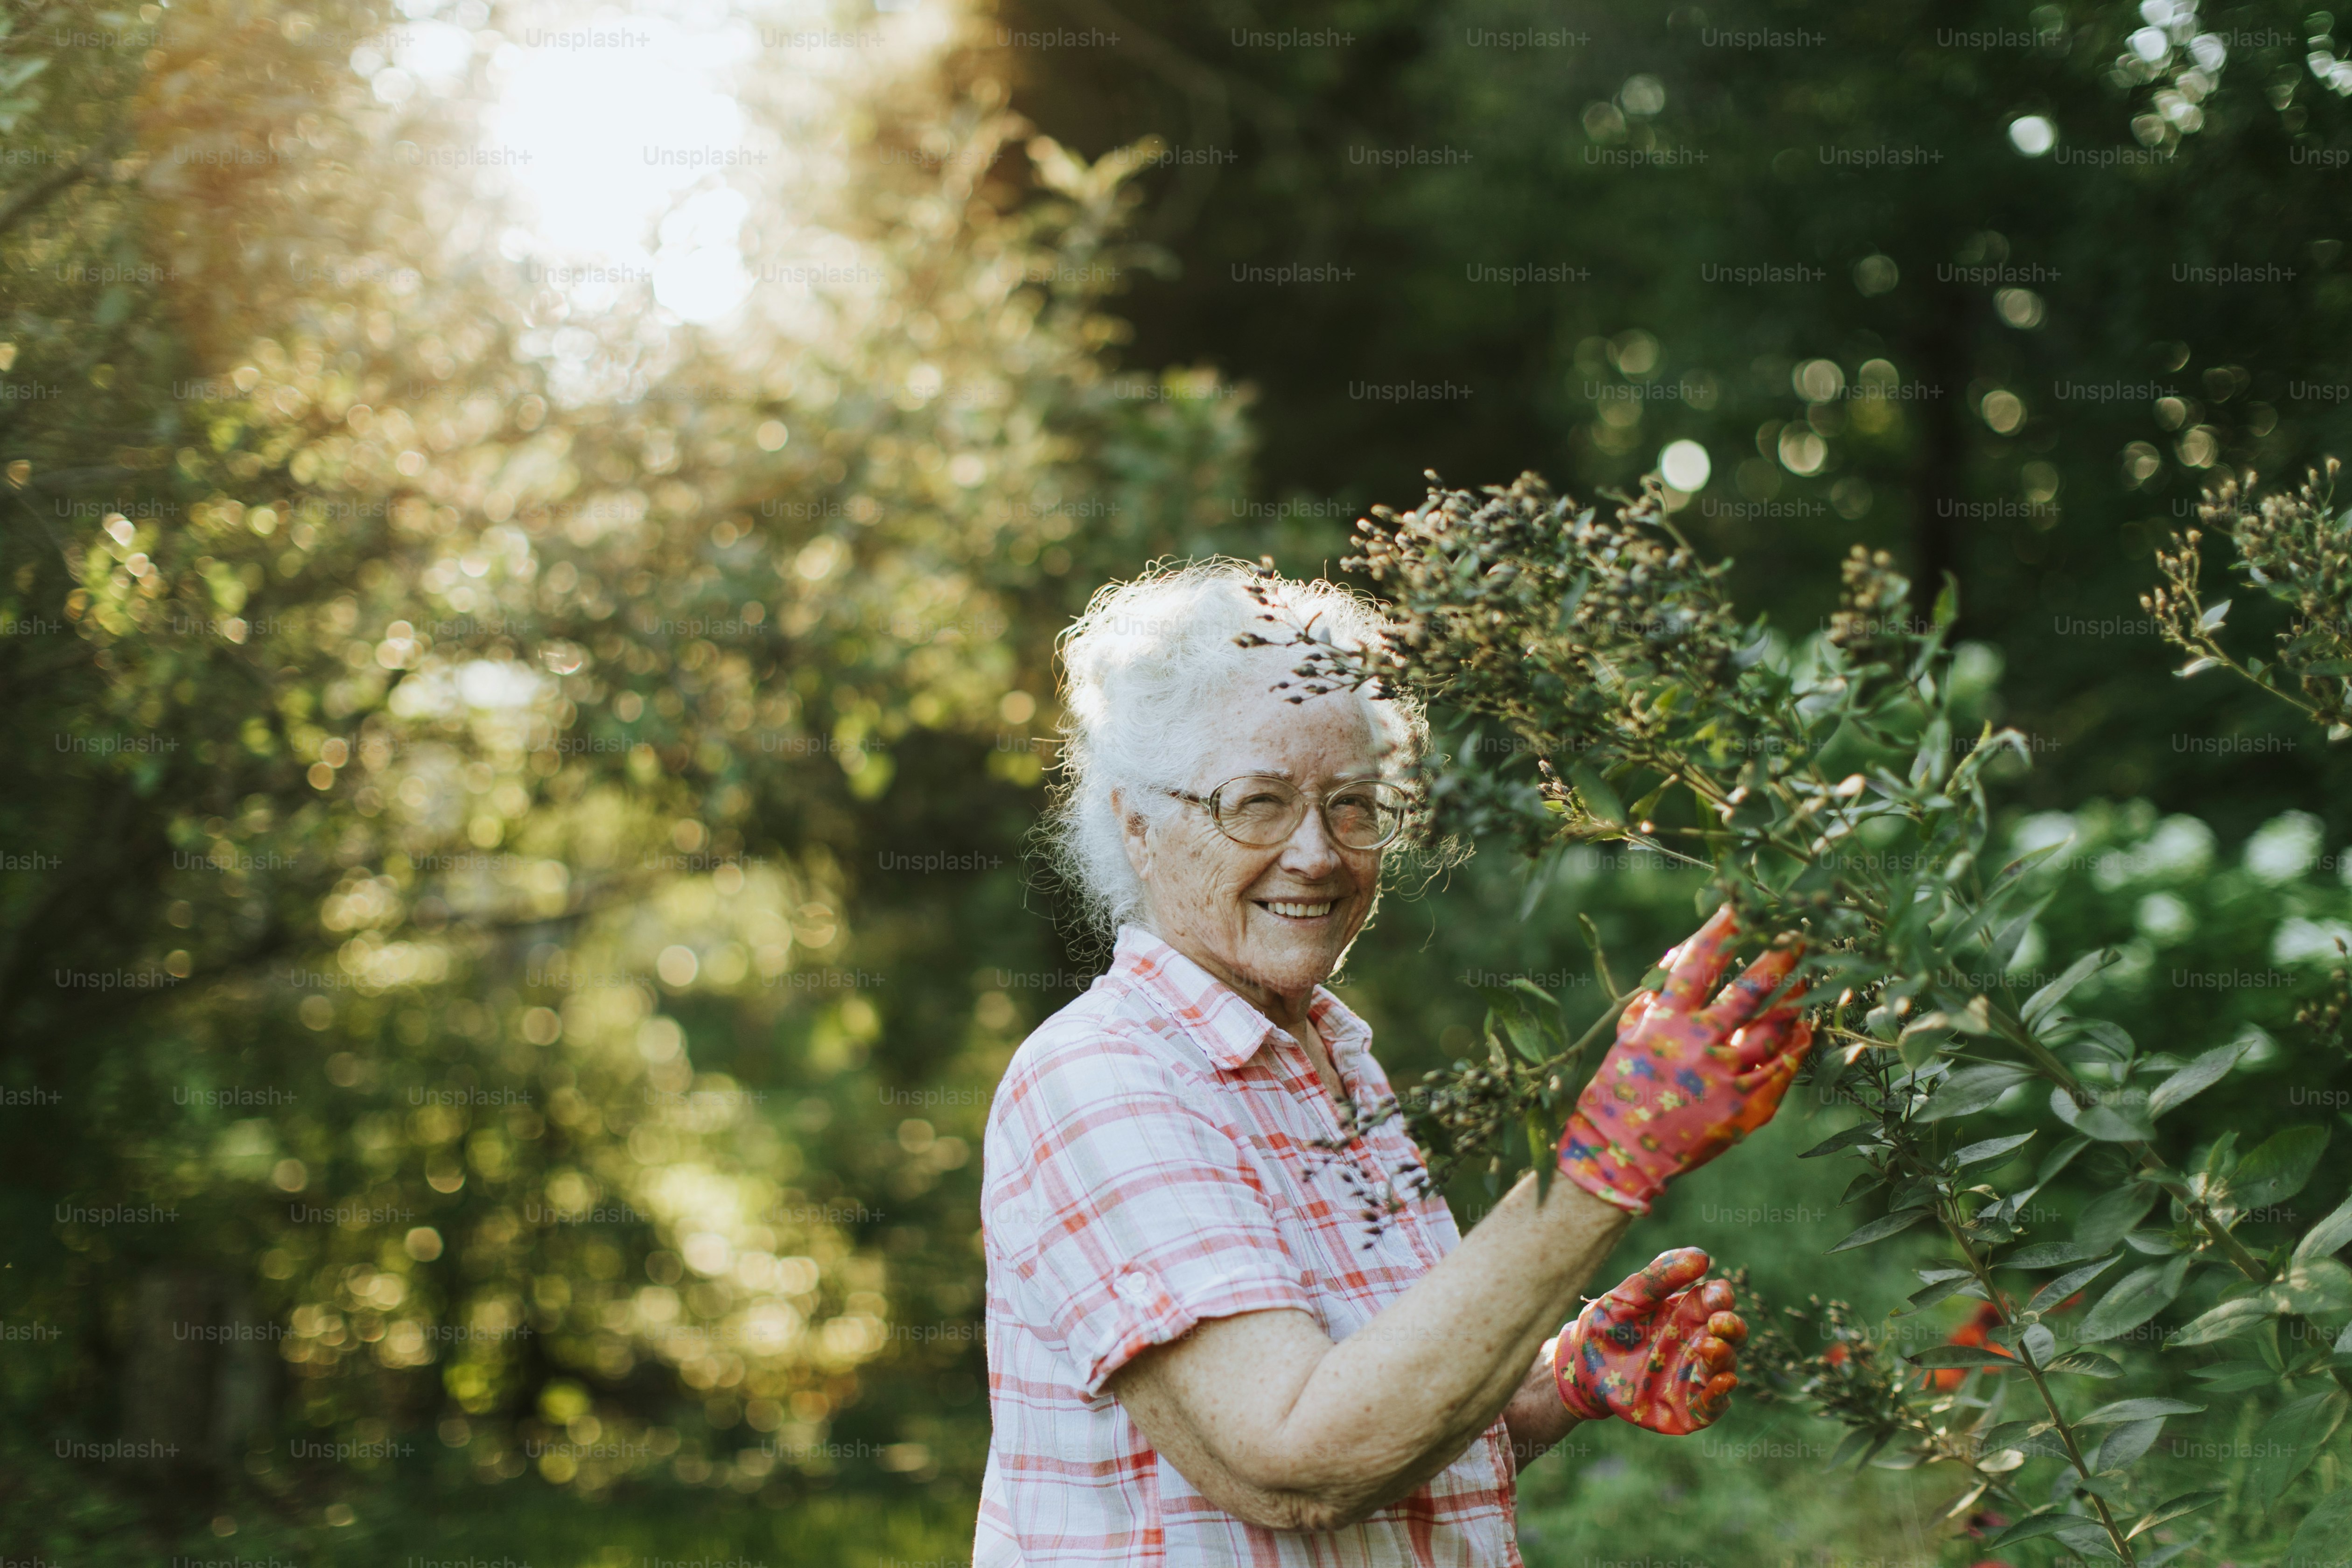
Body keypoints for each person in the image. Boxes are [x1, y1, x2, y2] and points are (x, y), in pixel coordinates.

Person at [974, 561, 1813, 1565]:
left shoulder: (1332, 1063)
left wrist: (1561, 1382)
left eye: (1355, 804)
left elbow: (1378, 1447)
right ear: (1138, 824)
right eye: (1258, 803)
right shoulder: (1105, 1078)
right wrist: (1606, 1159)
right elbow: (1291, 1463)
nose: (1318, 854)